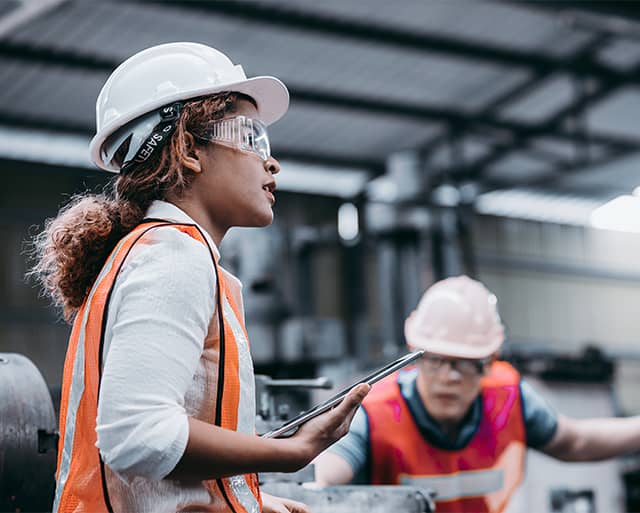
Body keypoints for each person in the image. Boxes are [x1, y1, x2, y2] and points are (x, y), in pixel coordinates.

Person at [30, 42, 369, 513]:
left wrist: (246, 496)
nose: (271, 164)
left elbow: (144, 463)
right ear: (189, 149)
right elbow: (137, 434)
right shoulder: (173, 256)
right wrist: (289, 452)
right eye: (251, 138)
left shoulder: (154, 252)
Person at [314, 275, 640, 513]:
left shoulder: (511, 400)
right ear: (415, 356)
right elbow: (330, 468)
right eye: (435, 360)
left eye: (464, 364)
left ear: (488, 363)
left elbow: (575, 441)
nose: (448, 376)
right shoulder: (375, 412)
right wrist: (310, 483)